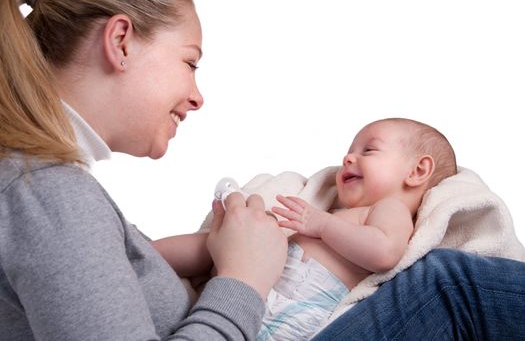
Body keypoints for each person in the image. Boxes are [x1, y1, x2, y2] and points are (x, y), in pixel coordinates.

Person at [0, 0, 288, 340]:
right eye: (190, 63)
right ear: (120, 42)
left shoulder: (41, 188)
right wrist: (244, 280)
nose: (198, 98)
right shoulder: (50, 192)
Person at [154, 117, 458, 340]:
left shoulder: (390, 210)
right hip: (264, 281)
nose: (348, 158)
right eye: (350, 151)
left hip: (296, 311)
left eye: (369, 151)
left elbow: (385, 252)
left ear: (418, 171)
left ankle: (144, 254)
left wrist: (321, 224)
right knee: (216, 243)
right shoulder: (341, 211)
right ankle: (147, 252)